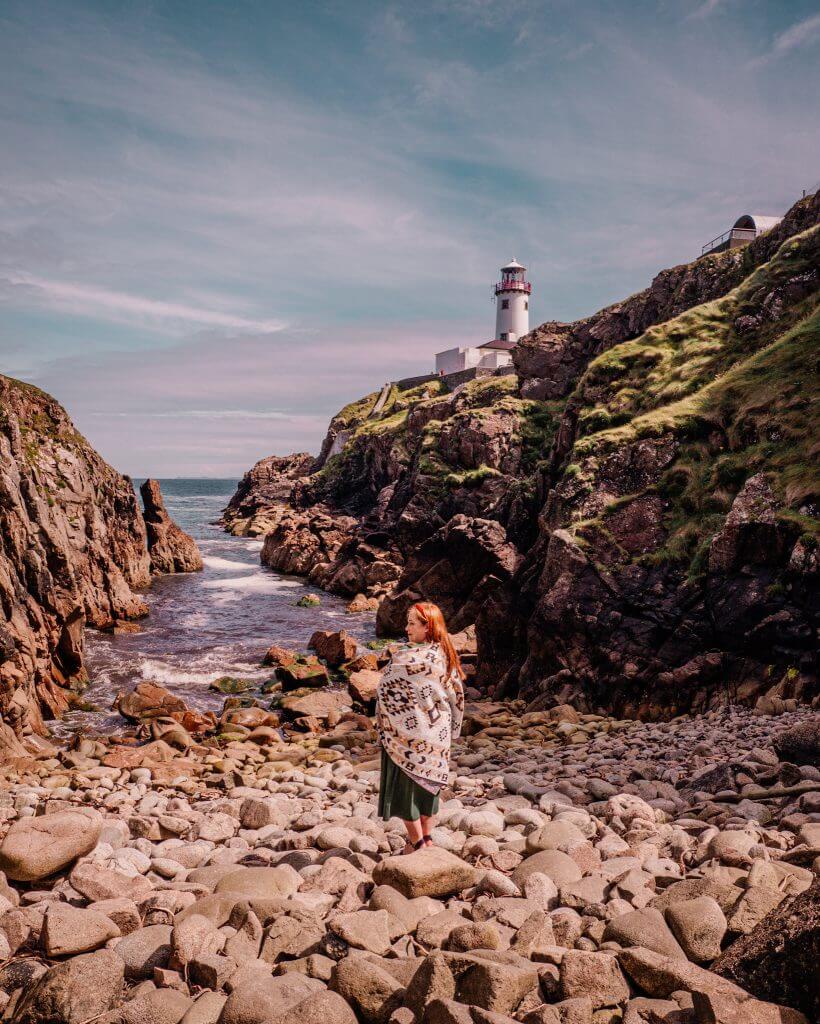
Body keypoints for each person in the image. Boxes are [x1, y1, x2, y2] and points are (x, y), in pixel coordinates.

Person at [376, 601, 465, 854]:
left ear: (428, 627)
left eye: (412, 623)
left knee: (406, 794)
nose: (406, 628)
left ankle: (417, 844)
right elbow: (457, 697)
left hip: (404, 736)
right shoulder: (445, 656)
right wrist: (452, 730)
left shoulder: (403, 658)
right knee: (429, 790)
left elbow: (384, 691)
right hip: (437, 735)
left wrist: (385, 723)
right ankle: (427, 839)